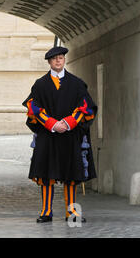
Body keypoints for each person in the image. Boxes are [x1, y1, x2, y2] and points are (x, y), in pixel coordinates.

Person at [22, 46, 97, 223]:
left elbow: (85, 107)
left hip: (70, 136)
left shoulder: (77, 83)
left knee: (71, 175)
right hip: (48, 136)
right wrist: (52, 124)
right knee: (46, 175)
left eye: (61, 58)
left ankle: (72, 212)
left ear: (64, 60)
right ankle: (46, 211)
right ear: (49, 61)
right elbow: (34, 108)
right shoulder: (40, 84)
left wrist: (68, 123)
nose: (58, 61)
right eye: (54, 58)